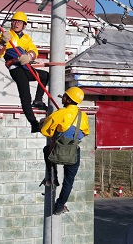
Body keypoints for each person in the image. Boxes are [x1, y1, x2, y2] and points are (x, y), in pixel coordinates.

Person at [0, 11, 49, 133]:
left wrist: (29, 56)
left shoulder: (26, 38)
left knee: (44, 76)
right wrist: (3, 42)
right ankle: (33, 123)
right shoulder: (4, 35)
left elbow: (34, 50)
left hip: (26, 67)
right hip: (15, 68)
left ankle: (38, 99)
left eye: (20, 22)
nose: (16, 23)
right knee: (25, 95)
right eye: (14, 21)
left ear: (24, 25)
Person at [40, 86, 89, 215]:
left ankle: (52, 178)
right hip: (73, 153)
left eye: (65, 96)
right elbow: (85, 133)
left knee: (47, 150)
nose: (63, 97)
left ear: (68, 100)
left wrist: (55, 135)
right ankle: (59, 206)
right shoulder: (83, 116)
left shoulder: (59, 113)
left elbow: (45, 130)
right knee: (69, 181)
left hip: (58, 151)